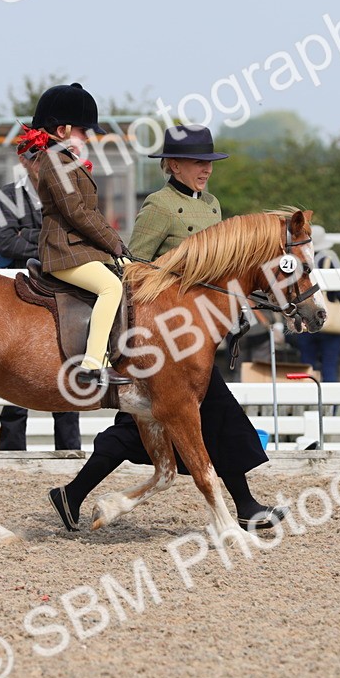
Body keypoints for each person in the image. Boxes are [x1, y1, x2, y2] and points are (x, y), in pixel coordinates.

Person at [47, 124, 288, 532]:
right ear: (172, 165)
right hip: (163, 335)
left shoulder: (212, 205)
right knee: (212, 414)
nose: (205, 170)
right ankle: (243, 504)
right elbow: (135, 267)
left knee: (173, 420)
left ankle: (72, 493)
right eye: (197, 162)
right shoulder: (157, 207)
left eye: (209, 163)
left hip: (198, 334)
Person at [31, 82, 130, 387]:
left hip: (78, 247)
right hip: (63, 250)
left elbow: (90, 213)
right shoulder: (52, 162)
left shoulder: (66, 160)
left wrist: (119, 248)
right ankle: (92, 364)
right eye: (83, 130)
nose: (88, 136)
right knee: (111, 287)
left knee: (131, 274)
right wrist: (113, 242)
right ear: (62, 130)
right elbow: (76, 212)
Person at [0, 126, 81, 452]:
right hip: (17, 287)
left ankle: (69, 450)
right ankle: (10, 451)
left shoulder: (62, 189)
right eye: (32, 156)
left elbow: (66, 237)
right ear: (23, 159)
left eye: (42, 156)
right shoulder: (8, 193)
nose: (37, 162)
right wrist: (46, 239)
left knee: (68, 357)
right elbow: (4, 241)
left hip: (58, 283)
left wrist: (29, 238)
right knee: (15, 368)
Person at [292, 224, 340, 381]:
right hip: (329, 321)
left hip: (305, 319)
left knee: (307, 366)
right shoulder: (329, 261)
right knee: (329, 367)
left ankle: (309, 403)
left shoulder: (297, 263)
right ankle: (331, 405)